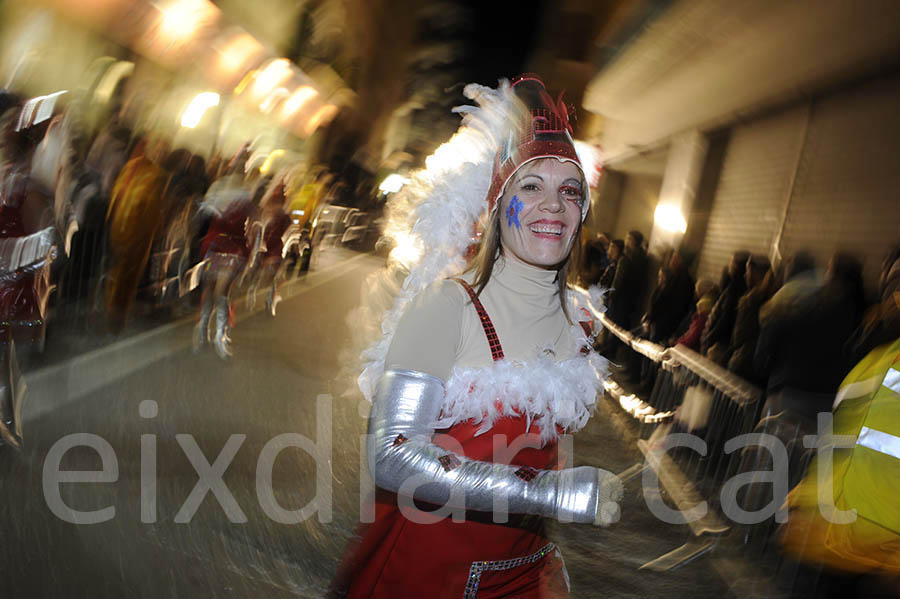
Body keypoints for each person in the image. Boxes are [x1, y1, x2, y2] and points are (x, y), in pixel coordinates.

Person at [337, 75, 622, 598]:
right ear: (497, 204)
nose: (553, 205)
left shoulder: (578, 321)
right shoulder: (447, 306)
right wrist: (554, 496)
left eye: (569, 191)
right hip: (429, 574)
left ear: (582, 213)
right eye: (531, 186)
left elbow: (535, 453)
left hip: (524, 574)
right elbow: (394, 457)